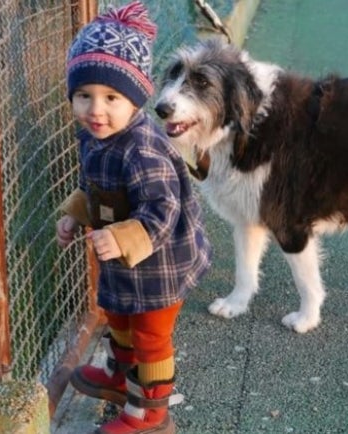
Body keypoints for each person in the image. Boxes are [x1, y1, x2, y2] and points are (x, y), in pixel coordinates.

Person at [55, 3, 211, 433]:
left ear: (136, 98)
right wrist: (76, 214)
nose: (95, 110)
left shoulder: (142, 149)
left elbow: (163, 210)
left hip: (160, 265)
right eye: (83, 95)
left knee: (150, 337)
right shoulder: (93, 136)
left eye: (111, 98)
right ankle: (121, 379)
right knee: (118, 317)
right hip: (124, 262)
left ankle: (150, 414)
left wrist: (124, 237)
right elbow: (97, 188)